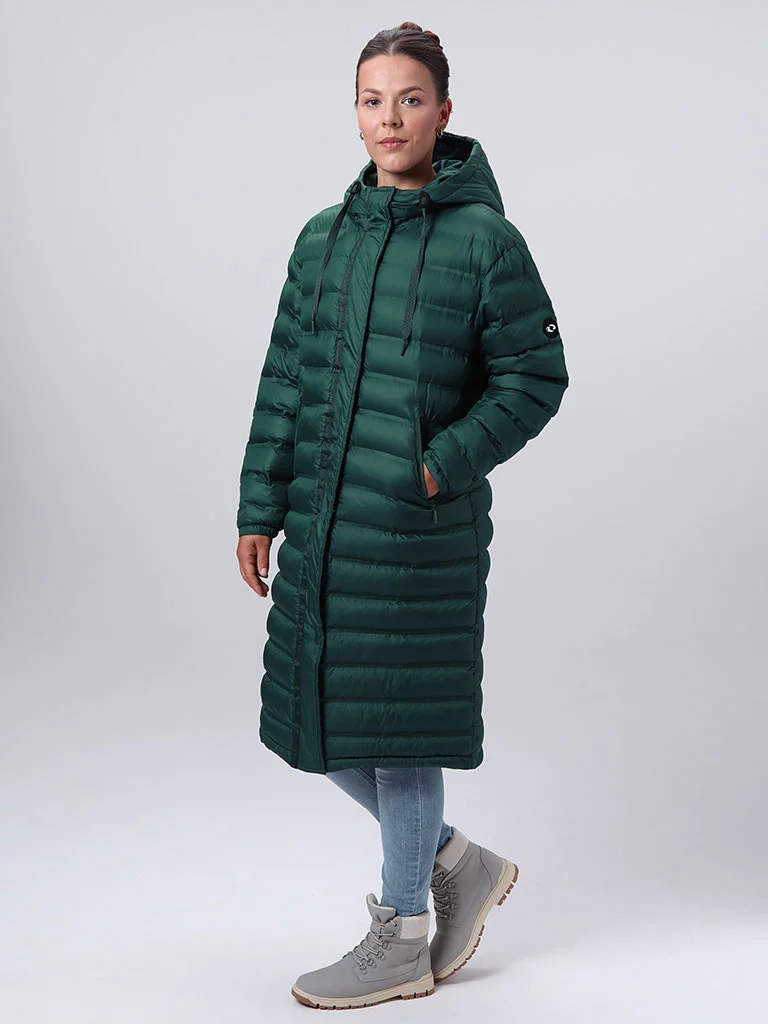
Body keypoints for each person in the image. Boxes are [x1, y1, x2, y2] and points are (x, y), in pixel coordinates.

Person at [235, 21, 569, 1010]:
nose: (391, 118)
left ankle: (404, 934)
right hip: (324, 523)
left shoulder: (486, 243)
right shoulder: (322, 239)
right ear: (356, 113)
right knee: (322, 720)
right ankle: (457, 861)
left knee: (400, 728)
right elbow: (286, 379)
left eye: (410, 99)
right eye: (373, 100)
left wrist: (437, 468)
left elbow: (534, 376)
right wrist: (259, 505)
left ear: (443, 112)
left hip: (420, 534)